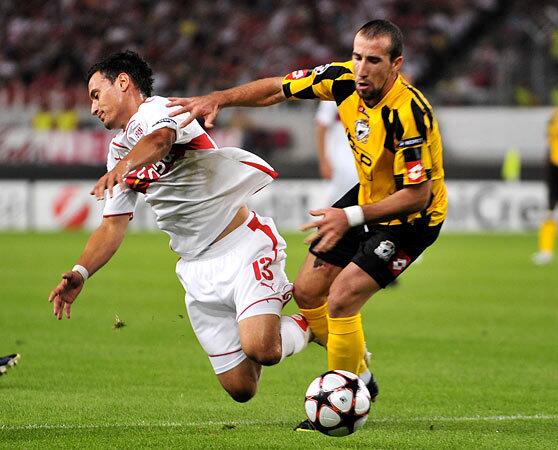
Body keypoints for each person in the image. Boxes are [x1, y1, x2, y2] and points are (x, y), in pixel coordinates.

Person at [167, 19, 448, 429]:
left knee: (343, 298)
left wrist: (348, 215)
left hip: (412, 219)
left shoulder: (409, 114)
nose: (361, 68)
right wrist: (219, 99)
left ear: (396, 64)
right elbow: (278, 88)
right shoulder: (342, 81)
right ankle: (363, 379)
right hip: (367, 197)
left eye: (373, 60)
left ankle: (340, 409)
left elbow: (416, 195)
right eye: (356, 57)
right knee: (308, 290)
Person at [47, 51, 311, 403]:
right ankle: (278, 323)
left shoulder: (161, 110)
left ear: (123, 82)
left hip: (242, 245)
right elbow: (112, 227)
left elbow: (160, 142)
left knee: (263, 348)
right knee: (241, 387)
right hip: (195, 267)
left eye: (96, 94)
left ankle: (314, 324)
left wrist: (122, 168)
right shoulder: (119, 151)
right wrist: (81, 272)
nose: (93, 108)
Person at [315, 101, 359, 204]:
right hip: (339, 156)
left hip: (364, 155)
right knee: (337, 196)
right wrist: (323, 161)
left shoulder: (372, 91)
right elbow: (321, 127)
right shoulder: (334, 91)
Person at [532, 108, 558, 265]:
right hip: (552, 163)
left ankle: (546, 251)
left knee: (550, 207)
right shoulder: (554, 114)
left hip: (552, 162)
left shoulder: (554, 114)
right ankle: (546, 251)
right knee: (549, 208)